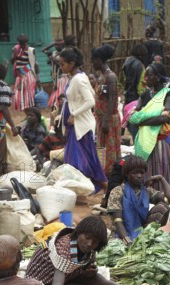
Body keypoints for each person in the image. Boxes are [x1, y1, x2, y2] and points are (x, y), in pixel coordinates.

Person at [26, 215, 158, 285]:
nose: (90, 244)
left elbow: (85, 264)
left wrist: (88, 270)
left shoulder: (87, 248)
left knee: (97, 279)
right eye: (87, 238)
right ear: (78, 233)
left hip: (67, 277)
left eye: (95, 242)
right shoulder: (64, 249)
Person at [59, 48, 109, 195]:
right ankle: (100, 186)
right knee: (86, 158)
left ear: (71, 63)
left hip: (80, 126)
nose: (61, 68)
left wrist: (74, 113)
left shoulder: (79, 79)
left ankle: (101, 186)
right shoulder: (76, 77)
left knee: (78, 161)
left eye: (62, 64)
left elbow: (90, 101)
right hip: (76, 126)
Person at [129, 63, 170, 191]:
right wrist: (149, 118)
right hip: (145, 141)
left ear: (158, 77)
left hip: (162, 142)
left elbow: (165, 118)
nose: (145, 78)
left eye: (149, 75)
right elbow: (133, 118)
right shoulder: (144, 96)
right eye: (145, 75)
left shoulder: (169, 94)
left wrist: (143, 120)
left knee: (163, 172)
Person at [107, 155, 170, 243]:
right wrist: (127, 241)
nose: (139, 176)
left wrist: (162, 179)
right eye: (135, 173)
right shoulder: (117, 191)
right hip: (122, 231)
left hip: (141, 228)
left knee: (163, 206)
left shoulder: (146, 191)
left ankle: (149, 236)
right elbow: (118, 221)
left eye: (142, 173)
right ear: (127, 173)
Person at [91, 45, 121, 177]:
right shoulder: (102, 77)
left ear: (99, 60)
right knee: (102, 149)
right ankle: (104, 175)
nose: (92, 63)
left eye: (94, 60)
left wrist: (106, 120)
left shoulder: (111, 77)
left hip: (108, 120)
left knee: (110, 150)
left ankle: (112, 175)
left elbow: (113, 99)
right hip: (102, 119)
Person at [11, 34, 39, 110]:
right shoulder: (15, 49)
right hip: (19, 75)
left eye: (24, 43)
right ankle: (27, 112)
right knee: (19, 96)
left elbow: (35, 64)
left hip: (27, 74)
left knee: (29, 95)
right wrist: (15, 55)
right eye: (20, 43)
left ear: (26, 42)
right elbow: (13, 62)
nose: (23, 45)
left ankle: (32, 111)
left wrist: (38, 78)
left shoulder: (31, 50)